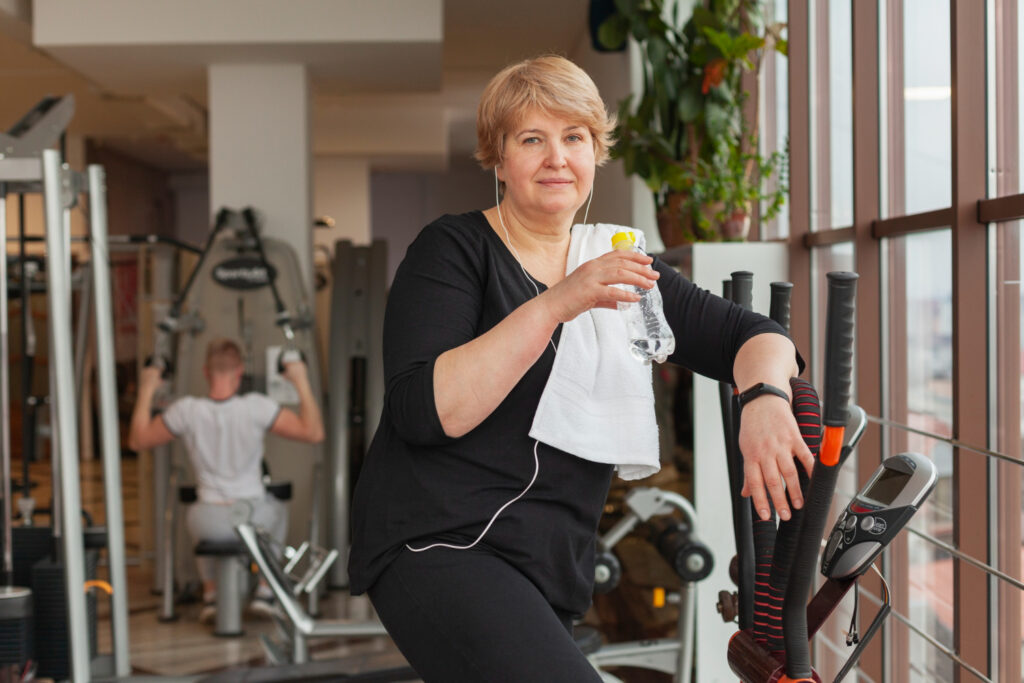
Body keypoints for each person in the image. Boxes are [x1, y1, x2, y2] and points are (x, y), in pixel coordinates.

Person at [348, 55, 811, 682]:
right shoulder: (453, 250)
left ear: (596, 151)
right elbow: (429, 413)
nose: (556, 158)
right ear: (499, 157)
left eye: (574, 138)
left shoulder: (621, 264)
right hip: (439, 543)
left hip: (548, 562)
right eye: (532, 139)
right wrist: (560, 302)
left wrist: (762, 398)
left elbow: (756, 336)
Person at [129, 338, 325, 622]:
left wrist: (147, 388)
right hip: (252, 518)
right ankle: (265, 593)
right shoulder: (257, 407)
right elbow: (313, 432)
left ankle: (211, 596)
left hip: (206, 520)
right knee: (277, 508)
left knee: (201, 511)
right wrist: (300, 380)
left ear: (206, 372)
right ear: (239, 372)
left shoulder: (187, 410)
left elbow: (137, 440)